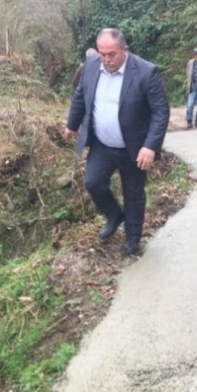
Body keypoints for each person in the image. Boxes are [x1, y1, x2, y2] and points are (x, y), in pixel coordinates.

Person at [64, 28, 170, 256]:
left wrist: (150, 146)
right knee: (93, 183)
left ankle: (133, 241)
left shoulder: (146, 72)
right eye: (102, 54)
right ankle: (114, 214)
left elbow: (161, 112)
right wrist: (71, 125)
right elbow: (80, 95)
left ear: (125, 50)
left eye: (111, 54)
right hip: (102, 145)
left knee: (133, 194)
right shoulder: (91, 65)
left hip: (134, 148)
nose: (106, 59)